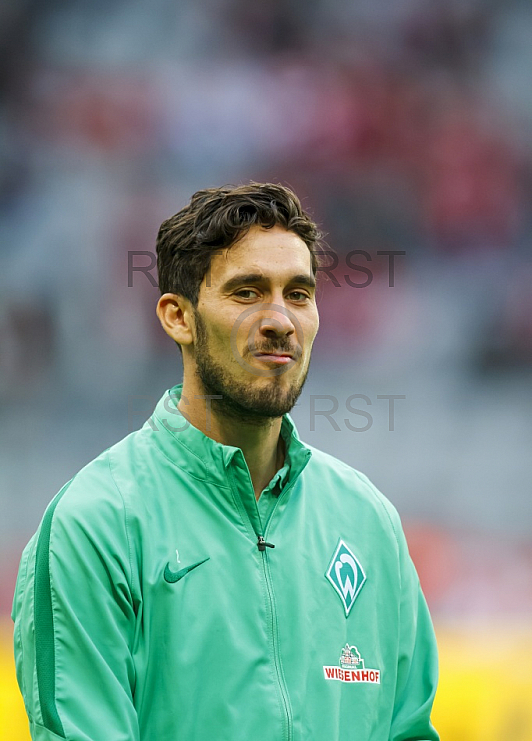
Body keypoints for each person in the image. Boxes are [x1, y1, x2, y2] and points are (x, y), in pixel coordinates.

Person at [12, 182, 439, 741]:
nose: (281, 320)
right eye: (246, 292)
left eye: (300, 294)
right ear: (177, 318)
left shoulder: (367, 521)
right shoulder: (96, 524)